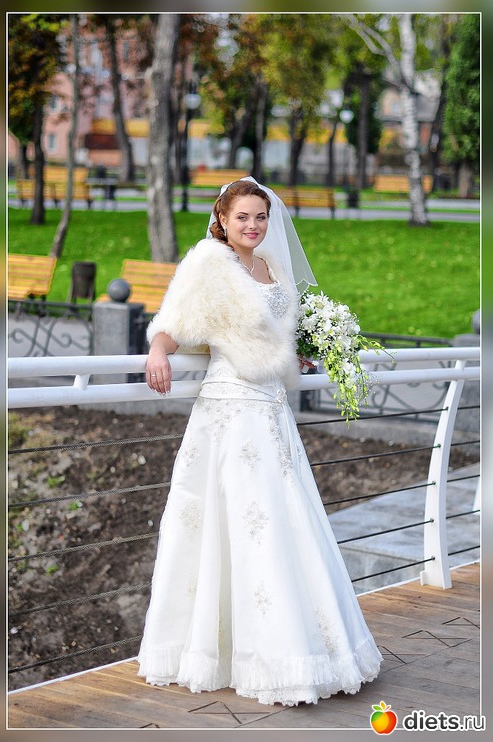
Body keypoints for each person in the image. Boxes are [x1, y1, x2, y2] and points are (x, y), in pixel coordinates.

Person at [137, 178, 382, 707]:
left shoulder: (271, 268)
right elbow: (174, 322)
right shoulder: (210, 264)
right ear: (222, 220)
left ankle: (298, 651)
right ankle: (233, 655)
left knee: (283, 522)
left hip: (272, 412)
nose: (253, 226)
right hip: (229, 412)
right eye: (243, 217)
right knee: (237, 524)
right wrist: (158, 351)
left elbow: (271, 337)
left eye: (261, 217)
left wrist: (300, 352)